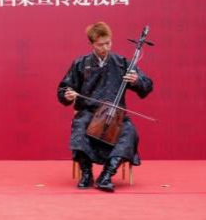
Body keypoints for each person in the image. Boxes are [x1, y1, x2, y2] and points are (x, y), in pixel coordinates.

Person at [57, 21, 153, 192]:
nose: (105, 48)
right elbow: (64, 88)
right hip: (89, 112)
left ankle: (107, 174)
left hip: (116, 114)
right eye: (100, 45)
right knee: (79, 127)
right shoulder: (80, 63)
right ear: (92, 44)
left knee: (129, 131)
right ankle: (86, 173)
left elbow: (147, 85)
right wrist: (68, 94)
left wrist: (136, 81)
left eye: (108, 43)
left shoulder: (122, 63)